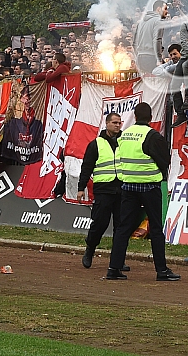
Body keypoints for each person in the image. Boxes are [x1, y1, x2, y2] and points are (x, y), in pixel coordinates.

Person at [107, 102, 179, 281]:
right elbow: (164, 160)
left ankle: (114, 268)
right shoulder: (152, 136)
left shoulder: (124, 135)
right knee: (155, 228)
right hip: (149, 186)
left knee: (123, 228)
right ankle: (161, 270)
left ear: (135, 116)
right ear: (150, 118)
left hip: (128, 186)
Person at [77, 112, 128, 271]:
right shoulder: (96, 144)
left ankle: (118, 260)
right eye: (114, 122)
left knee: (121, 227)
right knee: (99, 223)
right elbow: (87, 167)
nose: (117, 125)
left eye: (119, 123)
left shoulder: (125, 142)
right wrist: (81, 188)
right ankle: (90, 249)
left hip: (122, 189)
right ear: (107, 124)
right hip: (104, 190)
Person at [135, 0, 169, 74]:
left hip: (140, 58)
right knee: (161, 78)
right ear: (159, 9)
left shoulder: (141, 22)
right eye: (165, 9)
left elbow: (135, 42)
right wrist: (159, 59)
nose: (167, 12)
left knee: (146, 80)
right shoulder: (159, 21)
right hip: (151, 57)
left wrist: (137, 57)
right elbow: (157, 40)